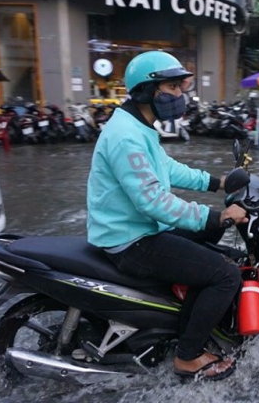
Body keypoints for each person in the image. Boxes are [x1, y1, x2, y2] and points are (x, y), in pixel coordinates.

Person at [86, 51, 248, 381]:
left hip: (142, 229)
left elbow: (166, 168)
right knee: (226, 274)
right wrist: (215, 217)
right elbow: (153, 202)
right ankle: (187, 356)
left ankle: (181, 321)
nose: (179, 95)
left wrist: (215, 182)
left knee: (216, 248)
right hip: (130, 240)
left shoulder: (138, 126)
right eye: (171, 87)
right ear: (146, 91)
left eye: (179, 87)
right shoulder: (126, 136)